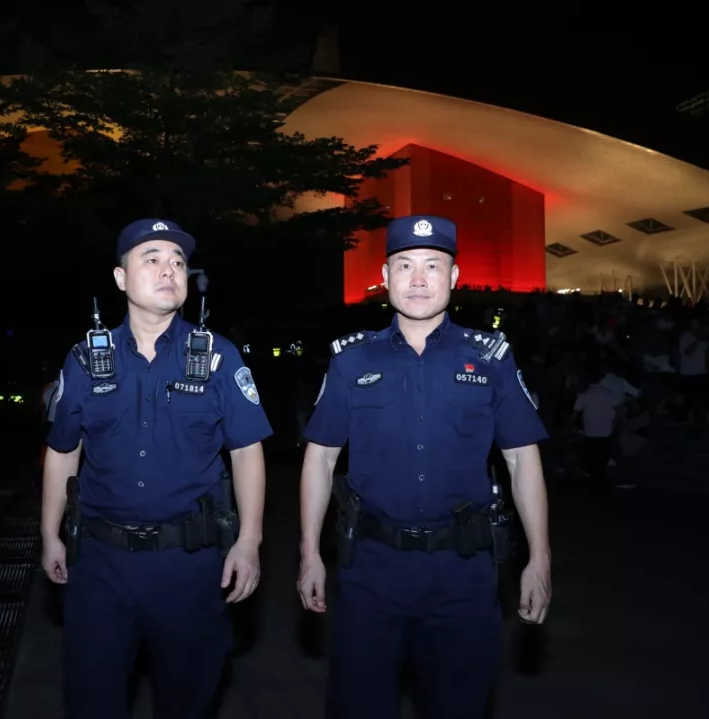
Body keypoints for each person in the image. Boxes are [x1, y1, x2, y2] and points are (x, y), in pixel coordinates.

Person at [296, 216, 553, 719]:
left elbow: (522, 458)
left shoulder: (491, 358)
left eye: (433, 266)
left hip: (463, 573)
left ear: (453, 277)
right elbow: (320, 457)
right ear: (385, 276)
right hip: (371, 570)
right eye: (405, 265)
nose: (418, 279)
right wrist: (309, 554)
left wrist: (539, 559)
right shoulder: (351, 360)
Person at [41, 218, 272, 719]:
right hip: (101, 563)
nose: (169, 269)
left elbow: (246, 450)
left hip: (189, 565)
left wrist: (249, 541)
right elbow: (63, 451)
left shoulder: (218, 357)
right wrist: (49, 534)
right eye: (152, 259)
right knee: (91, 699)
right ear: (121, 278)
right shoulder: (84, 360)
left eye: (178, 261)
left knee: (188, 700)